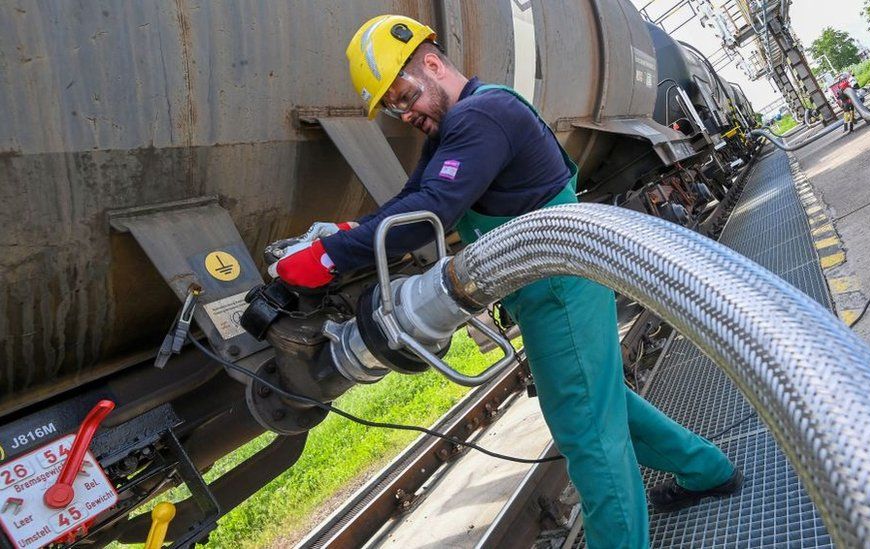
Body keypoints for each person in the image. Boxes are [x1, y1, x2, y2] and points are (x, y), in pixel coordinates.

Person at [269, 15, 742, 547]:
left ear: (430, 63)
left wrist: (329, 258)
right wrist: (354, 231)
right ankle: (707, 471)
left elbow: (433, 208)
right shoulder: (459, 124)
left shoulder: (481, 116)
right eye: (394, 108)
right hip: (548, 285)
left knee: (586, 434)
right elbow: (412, 199)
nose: (406, 113)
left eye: (403, 95)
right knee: (597, 400)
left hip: (559, 287)